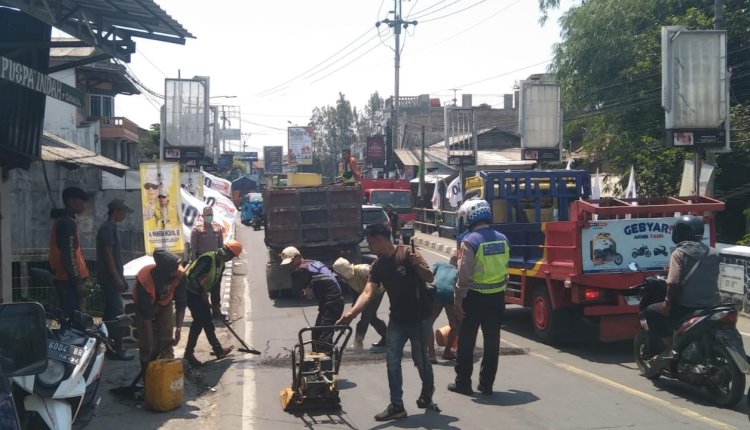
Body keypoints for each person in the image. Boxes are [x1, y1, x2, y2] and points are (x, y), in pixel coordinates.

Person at [337, 223, 436, 421]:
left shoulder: (407, 253)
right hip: (397, 320)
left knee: (421, 360)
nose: (370, 247)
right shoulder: (378, 266)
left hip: (419, 318)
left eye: (371, 243)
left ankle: (427, 391)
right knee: (392, 362)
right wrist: (351, 313)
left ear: (380, 240)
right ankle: (397, 406)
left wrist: (418, 265)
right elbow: (367, 293)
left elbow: (430, 277)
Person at [449, 198, 509, 397]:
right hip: (497, 297)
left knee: (466, 341)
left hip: (474, 298)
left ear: (469, 217)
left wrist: (458, 300)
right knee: (492, 343)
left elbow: (464, 276)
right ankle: (487, 385)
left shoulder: (470, 241)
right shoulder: (503, 238)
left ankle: (463, 383)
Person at [643, 215, 720, 358]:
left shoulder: (679, 253)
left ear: (679, 232)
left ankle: (670, 346)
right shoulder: (714, 253)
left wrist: (667, 304)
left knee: (651, 311)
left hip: (686, 307)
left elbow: (673, 283)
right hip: (711, 305)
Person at [183, 240, 242, 367]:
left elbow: (216, 285)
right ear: (227, 254)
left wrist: (216, 305)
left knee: (207, 321)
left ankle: (218, 350)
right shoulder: (207, 259)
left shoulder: (221, 264)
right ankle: (189, 353)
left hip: (200, 295)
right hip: (190, 293)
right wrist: (201, 292)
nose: (230, 258)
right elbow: (192, 277)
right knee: (199, 321)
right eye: (231, 256)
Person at [132, 249, 187, 375]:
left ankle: (167, 376)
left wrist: (178, 328)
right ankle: (147, 378)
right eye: (172, 271)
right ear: (163, 272)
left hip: (164, 303)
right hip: (143, 306)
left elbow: (181, 303)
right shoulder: (144, 278)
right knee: (146, 344)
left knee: (166, 340)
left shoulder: (179, 274)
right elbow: (146, 315)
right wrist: (151, 345)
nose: (175, 272)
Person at [281, 246, 344, 354]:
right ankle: (318, 359)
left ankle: (326, 362)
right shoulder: (313, 263)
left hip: (332, 303)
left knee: (323, 335)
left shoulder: (302, 269)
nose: (290, 267)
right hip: (330, 302)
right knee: (316, 333)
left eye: (291, 263)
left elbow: (300, 289)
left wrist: (305, 290)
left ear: (298, 257)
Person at [96, 199, 135, 361]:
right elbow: (108, 256)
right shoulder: (107, 229)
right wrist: (117, 278)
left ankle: (110, 347)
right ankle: (118, 349)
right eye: (123, 212)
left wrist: (120, 277)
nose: (124, 215)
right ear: (116, 211)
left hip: (113, 278)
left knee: (110, 315)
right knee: (118, 315)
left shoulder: (111, 228)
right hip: (110, 279)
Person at [49, 186, 90, 317]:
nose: (83, 205)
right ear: (71, 202)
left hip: (64, 280)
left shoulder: (63, 220)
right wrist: (77, 283)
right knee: (73, 321)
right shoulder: (67, 223)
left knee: (68, 319)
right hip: (69, 282)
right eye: (81, 201)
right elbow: (69, 255)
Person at [332, 257, 387, 350]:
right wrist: (347, 318)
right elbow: (356, 299)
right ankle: (387, 338)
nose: (339, 277)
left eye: (339, 274)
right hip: (365, 295)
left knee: (365, 318)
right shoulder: (349, 281)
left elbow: (376, 281)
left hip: (377, 293)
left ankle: (358, 343)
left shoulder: (363, 270)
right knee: (371, 318)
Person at [190, 206, 226, 319]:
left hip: (215, 263)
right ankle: (204, 312)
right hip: (203, 264)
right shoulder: (197, 230)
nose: (209, 216)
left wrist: (222, 262)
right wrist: (195, 263)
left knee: (216, 287)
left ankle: (216, 311)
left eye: (211, 214)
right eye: (207, 214)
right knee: (203, 288)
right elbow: (194, 248)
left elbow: (221, 246)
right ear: (203, 216)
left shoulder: (217, 229)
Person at [427, 254, 460, 363]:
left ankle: (431, 355)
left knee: (429, 323)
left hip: (437, 293)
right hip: (450, 295)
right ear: (457, 264)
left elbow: (429, 276)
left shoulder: (439, 264)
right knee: (454, 326)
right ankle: (447, 352)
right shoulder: (458, 271)